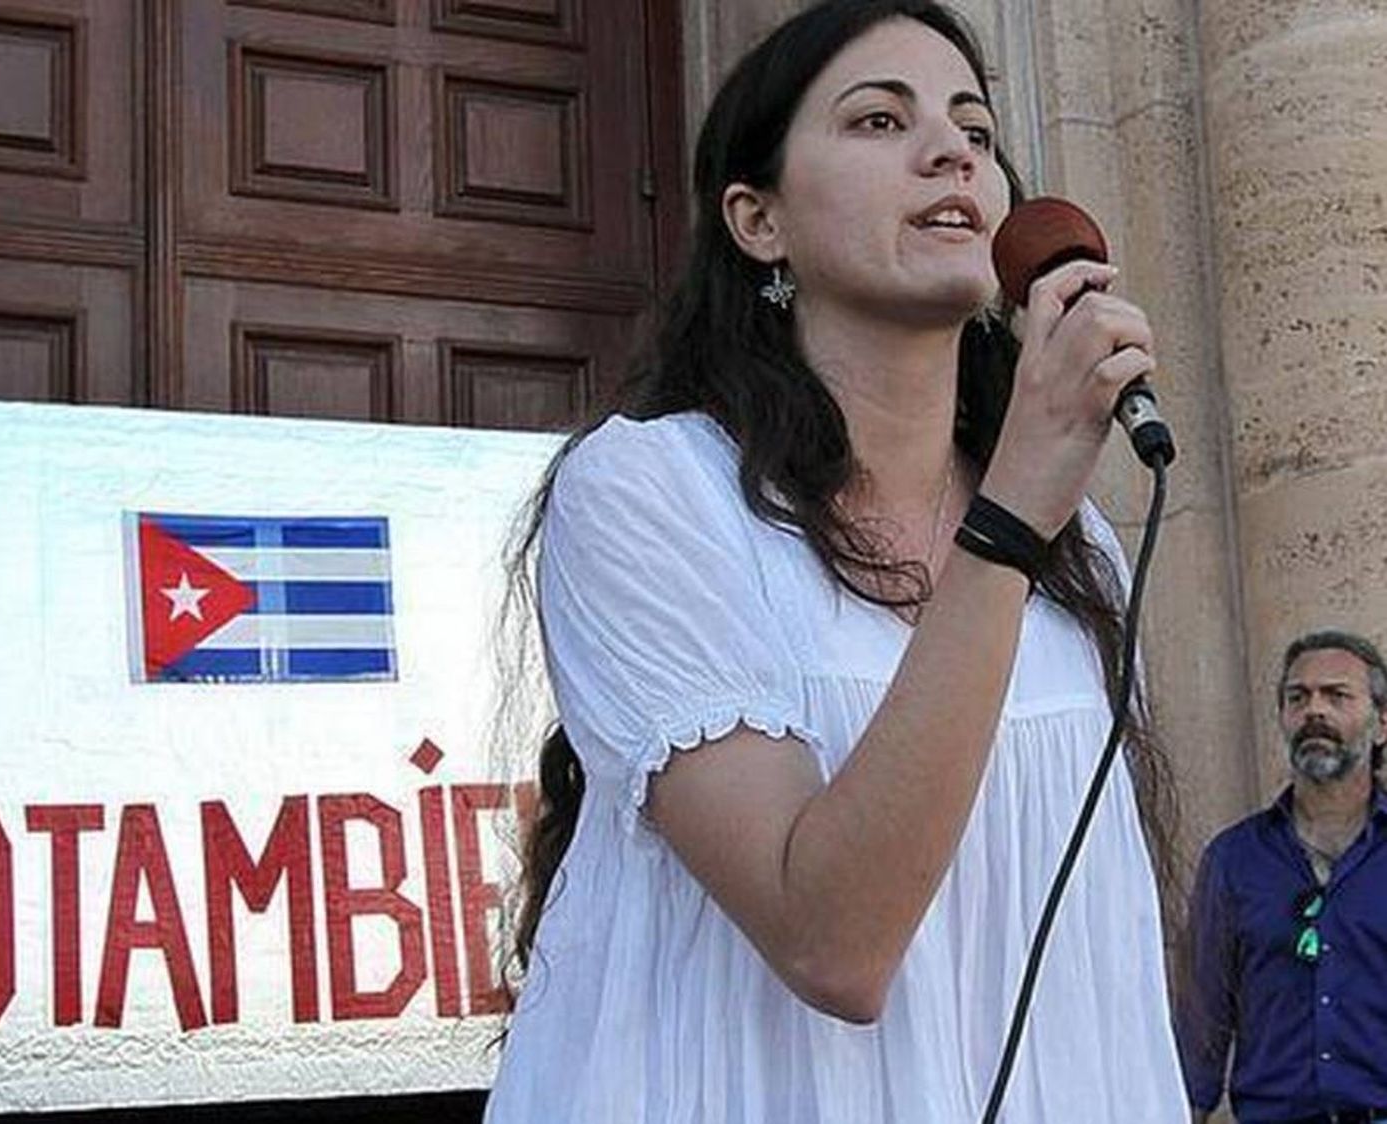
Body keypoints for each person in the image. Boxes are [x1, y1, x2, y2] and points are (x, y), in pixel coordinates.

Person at [481, 1, 1186, 1121]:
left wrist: (1022, 510)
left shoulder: (1078, 546)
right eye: (878, 120)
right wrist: (1010, 514)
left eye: (974, 127)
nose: (952, 150)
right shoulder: (649, 490)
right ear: (758, 220)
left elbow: (1095, 965)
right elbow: (834, 945)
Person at [1178, 630, 1387, 1123]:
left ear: (1381, 723)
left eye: (1336, 696)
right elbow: (1201, 1025)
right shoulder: (1234, 860)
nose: (1314, 710)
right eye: (1298, 697)